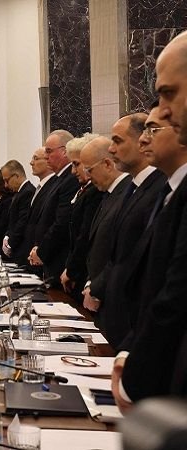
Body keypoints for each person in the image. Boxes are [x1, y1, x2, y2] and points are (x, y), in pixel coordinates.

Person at [112, 85, 187, 407]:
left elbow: (174, 293)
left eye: (153, 130)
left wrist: (136, 375)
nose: (144, 139)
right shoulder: (167, 191)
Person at [94, 112, 165, 349]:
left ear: (142, 141)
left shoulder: (159, 187)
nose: (111, 149)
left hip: (134, 320)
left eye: (117, 141)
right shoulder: (132, 187)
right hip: (117, 315)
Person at [80, 137, 130, 325]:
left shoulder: (126, 194)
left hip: (116, 301)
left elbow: (121, 252)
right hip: (100, 294)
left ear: (107, 164)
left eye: (89, 170)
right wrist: (90, 283)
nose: (87, 176)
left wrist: (96, 288)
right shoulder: (108, 195)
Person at [28, 130, 80, 284]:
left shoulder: (70, 179)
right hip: (49, 258)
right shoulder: (59, 179)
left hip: (59, 258)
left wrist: (42, 251)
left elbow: (61, 222)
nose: (46, 156)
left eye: (49, 151)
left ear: (64, 152)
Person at [61, 134, 103, 299]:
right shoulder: (85, 190)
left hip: (85, 273)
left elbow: (84, 235)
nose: (73, 171)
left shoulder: (95, 192)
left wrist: (71, 270)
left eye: (76, 164)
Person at [1, 159, 35, 265]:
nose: (5, 185)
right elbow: (12, 220)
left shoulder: (28, 192)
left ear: (16, 176)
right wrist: (6, 237)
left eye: (7, 180)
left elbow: (22, 222)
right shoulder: (19, 192)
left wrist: (10, 244)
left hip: (22, 249)